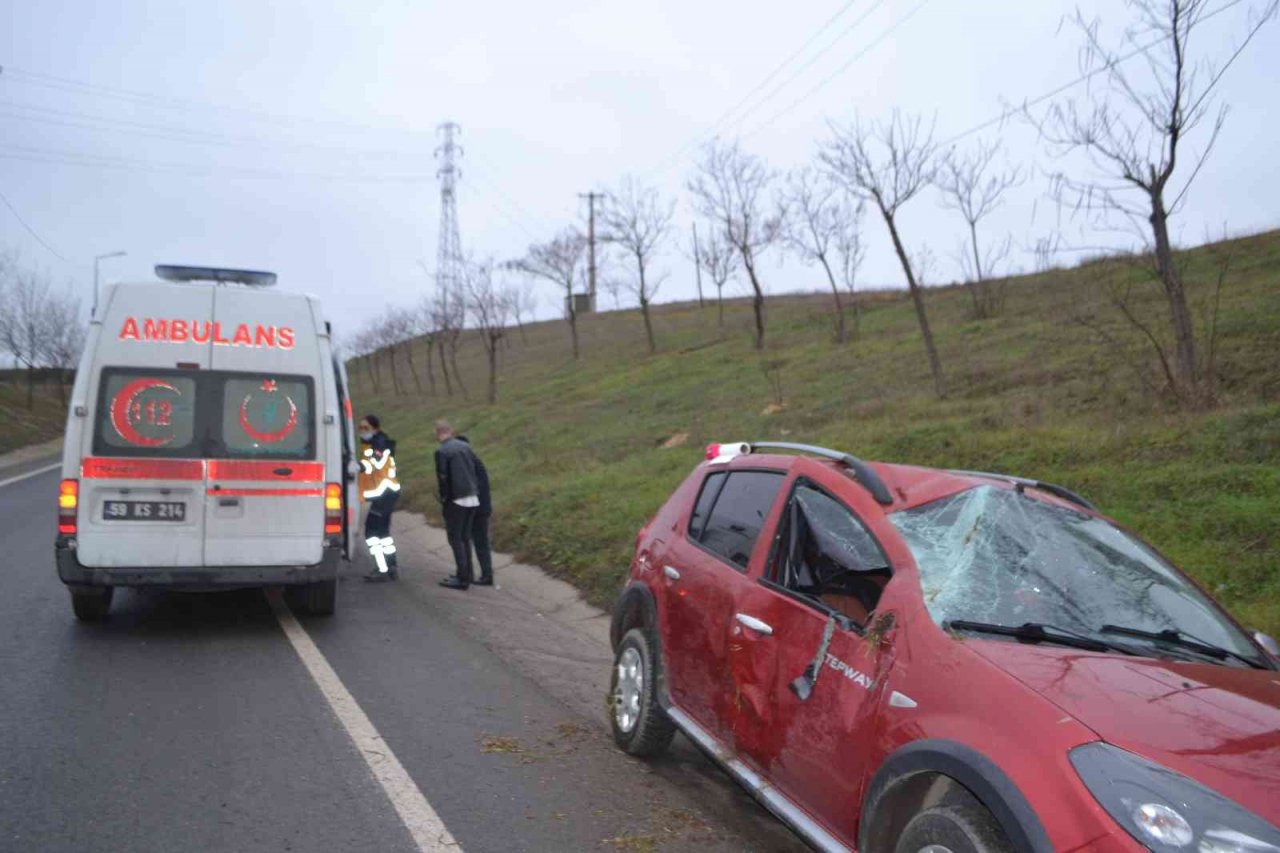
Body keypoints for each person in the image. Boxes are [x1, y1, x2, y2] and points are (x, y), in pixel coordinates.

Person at [434, 419, 480, 590]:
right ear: (451, 431)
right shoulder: (466, 447)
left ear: (438, 433)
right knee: (465, 538)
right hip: (473, 496)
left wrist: (444, 499)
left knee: (455, 538)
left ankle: (462, 578)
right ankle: (467, 574)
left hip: (456, 499)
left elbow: (443, 478)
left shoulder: (442, 451)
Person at [358, 414, 401, 582]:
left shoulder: (379, 443)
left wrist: (357, 466)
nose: (362, 431)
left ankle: (382, 569)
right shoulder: (373, 442)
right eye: (360, 428)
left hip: (384, 493)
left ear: (375, 429)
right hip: (386, 493)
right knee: (383, 533)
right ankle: (391, 566)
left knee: (371, 532)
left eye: (366, 428)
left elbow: (376, 462)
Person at [457, 434, 493, 586]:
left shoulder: (469, 464)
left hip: (476, 509)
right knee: (478, 542)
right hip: (481, 508)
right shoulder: (474, 461)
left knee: (476, 542)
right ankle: (480, 574)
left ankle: (480, 575)